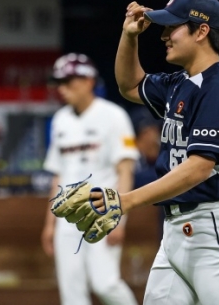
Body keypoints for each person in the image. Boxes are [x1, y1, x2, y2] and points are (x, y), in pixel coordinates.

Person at [91, 0, 219, 304]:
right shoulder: (180, 82)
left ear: (202, 31)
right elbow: (129, 85)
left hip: (214, 228)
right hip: (175, 230)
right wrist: (129, 37)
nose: (165, 35)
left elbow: (199, 166)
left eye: (173, 26)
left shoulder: (218, 88)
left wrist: (126, 200)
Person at [40, 53, 139, 305]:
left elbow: (125, 171)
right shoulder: (60, 120)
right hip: (66, 216)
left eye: (69, 81)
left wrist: (120, 218)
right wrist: (50, 224)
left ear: (88, 81)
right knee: (71, 292)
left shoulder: (114, 115)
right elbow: (58, 175)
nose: (62, 88)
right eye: (59, 82)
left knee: (105, 284)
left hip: (102, 212)